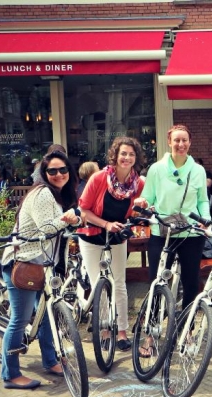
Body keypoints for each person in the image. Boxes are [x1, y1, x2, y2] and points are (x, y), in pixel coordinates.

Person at [0, 151, 82, 390]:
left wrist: (74, 219)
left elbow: (61, 228)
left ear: (70, 172)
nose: (58, 174)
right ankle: (10, 374)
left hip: (43, 265)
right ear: (44, 174)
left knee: (46, 314)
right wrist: (69, 219)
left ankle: (50, 360)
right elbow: (47, 227)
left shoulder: (61, 195)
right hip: (23, 262)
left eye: (63, 170)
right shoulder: (43, 193)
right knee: (20, 319)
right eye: (52, 171)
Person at [133, 124, 210, 341]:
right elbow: (148, 198)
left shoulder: (198, 170)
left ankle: (186, 330)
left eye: (184, 140)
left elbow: (203, 200)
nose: (181, 144)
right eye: (176, 140)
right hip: (162, 232)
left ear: (190, 142)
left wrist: (206, 221)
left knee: (191, 282)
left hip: (191, 233)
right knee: (157, 282)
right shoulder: (156, 169)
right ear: (169, 142)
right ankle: (152, 332)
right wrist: (142, 201)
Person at [78, 137, 145, 352]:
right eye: (123, 153)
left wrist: (142, 208)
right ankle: (106, 329)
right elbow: (84, 210)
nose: (126, 158)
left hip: (117, 235)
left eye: (131, 154)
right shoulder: (99, 178)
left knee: (119, 283)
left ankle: (122, 331)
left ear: (136, 158)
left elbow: (138, 209)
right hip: (92, 235)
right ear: (115, 155)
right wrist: (105, 224)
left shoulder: (138, 183)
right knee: (100, 284)